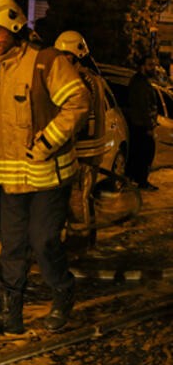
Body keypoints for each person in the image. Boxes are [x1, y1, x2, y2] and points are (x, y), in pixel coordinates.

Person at [0, 0, 90, 335]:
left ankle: (63, 293)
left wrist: (46, 143)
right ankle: (9, 316)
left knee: (43, 241)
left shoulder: (47, 60)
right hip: (11, 177)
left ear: (12, 24)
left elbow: (77, 104)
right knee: (11, 247)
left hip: (48, 175)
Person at [54, 31, 106, 247]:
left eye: (64, 57)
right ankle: (87, 239)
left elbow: (76, 116)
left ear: (74, 56)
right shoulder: (93, 78)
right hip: (91, 150)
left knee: (77, 199)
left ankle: (78, 244)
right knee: (85, 196)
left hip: (82, 151)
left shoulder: (79, 80)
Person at [126, 55, 159, 190]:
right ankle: (141, 181)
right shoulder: (140, 83)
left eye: (154, 65)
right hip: (140, 125)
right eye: (150, 65)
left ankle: (136, 179)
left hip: (139, 124)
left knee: (139, 153)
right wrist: (149, 126)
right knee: (144, 154)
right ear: (142, 67)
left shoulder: (143, 81)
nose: (153, 68)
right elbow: (143, 106)